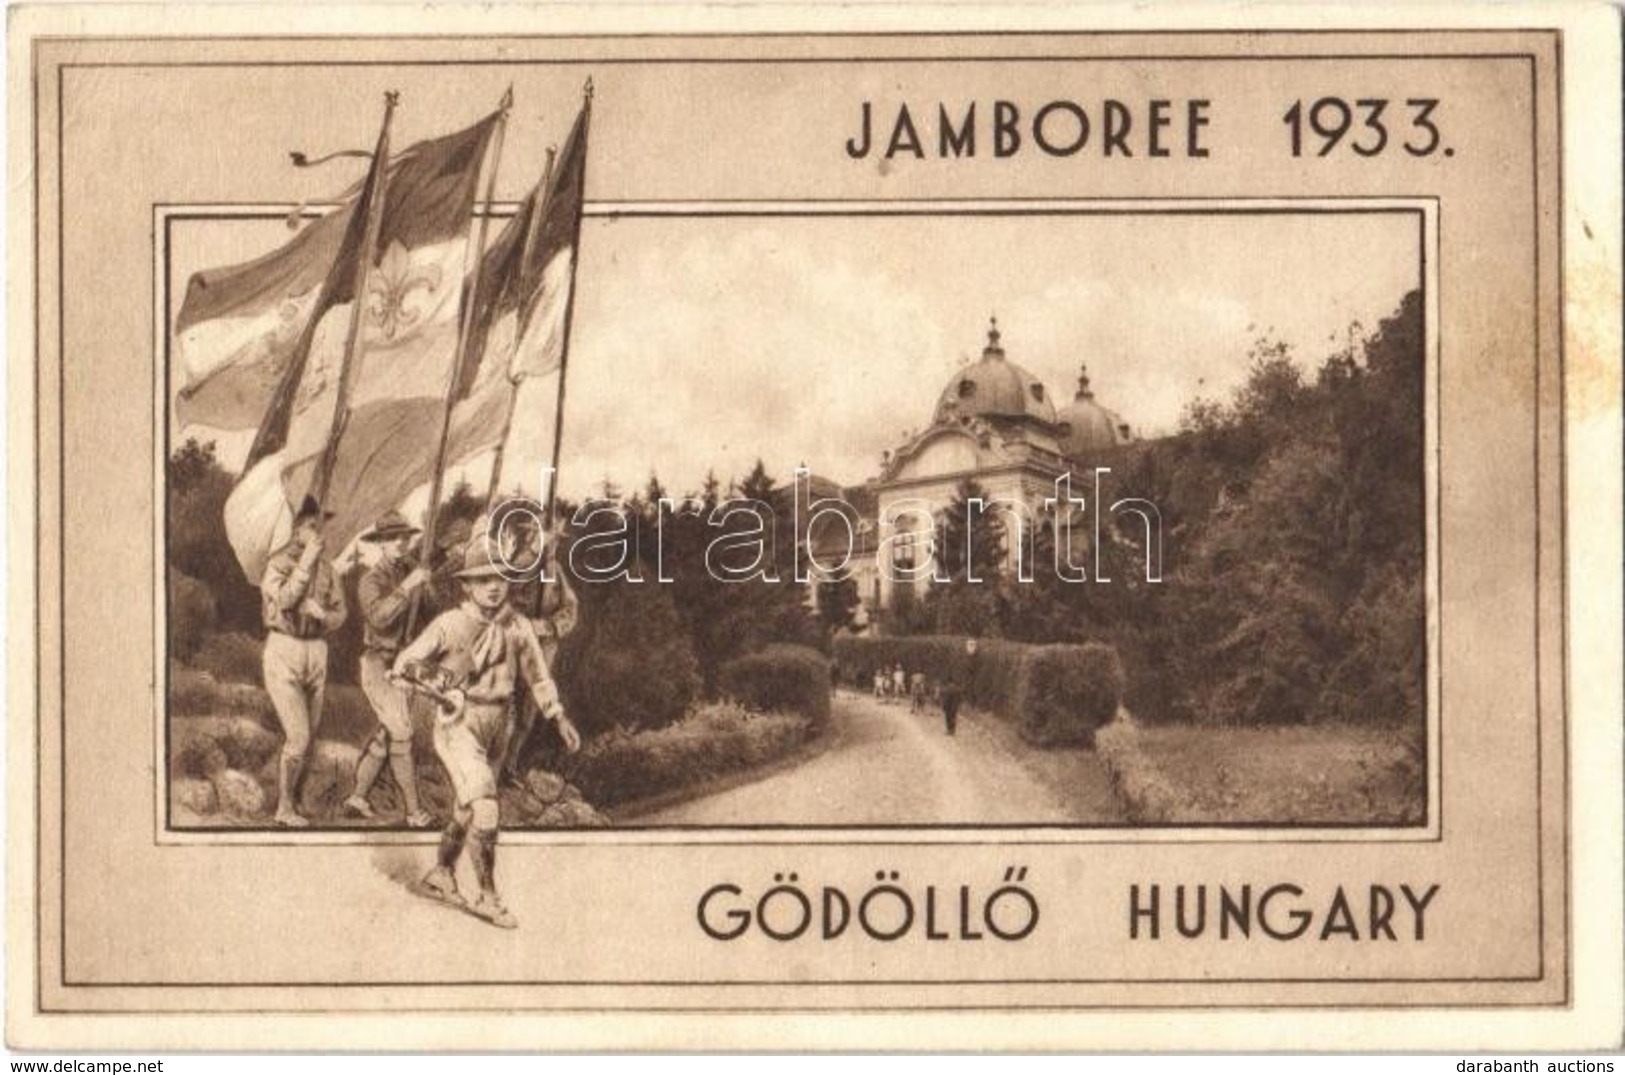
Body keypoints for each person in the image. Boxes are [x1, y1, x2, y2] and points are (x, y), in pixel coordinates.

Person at [392, 537, 582, 929]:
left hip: (501, 722)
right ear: (467, 586)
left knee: (467, 807)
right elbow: (405, 664)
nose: (493, 586)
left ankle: (442, 872)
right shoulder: (449, 624)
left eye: (499, 578)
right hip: (459, 723)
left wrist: (558, 716)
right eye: (482, 579)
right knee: (486, 806)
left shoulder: (518, 626)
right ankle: (488, 896)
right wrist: (445, 687)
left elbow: (537, 674)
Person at [259, 495, 348, 827]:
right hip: (284, 649)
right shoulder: (278, 564)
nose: (318, 532)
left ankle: (296, 800)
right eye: (311, 526)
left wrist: (323, 615)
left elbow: (341, 613)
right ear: (295, 529)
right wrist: (305, 562)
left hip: (316, 650)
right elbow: (282, 600)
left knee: (311, 735)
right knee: (297, 736)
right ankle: (283, 808)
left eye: (320, 526)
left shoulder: (328, 569)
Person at [342, 510, 435, 826]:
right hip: (379, 665)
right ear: (380, 543)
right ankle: (414, 813)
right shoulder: (371, 579)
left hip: (406, 665)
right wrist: (408, 587)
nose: (401, 542)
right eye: (393, 537)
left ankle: (356, 798)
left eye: (405, 536)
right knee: (402, 734)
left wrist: (427, 583)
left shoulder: (412, 569)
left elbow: (431, 612)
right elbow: (379, 618)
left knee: (386, 736)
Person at [941, 638, 978, 737]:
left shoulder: (970, 660)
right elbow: (946, 675)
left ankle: (952, 729)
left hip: (957, 689)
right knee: (946, 709)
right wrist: (945, 685)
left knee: (953, 710)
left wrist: (962, 687)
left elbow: (970, 674)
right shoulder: (952, 663)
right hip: (949, 688)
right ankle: (949, 728)